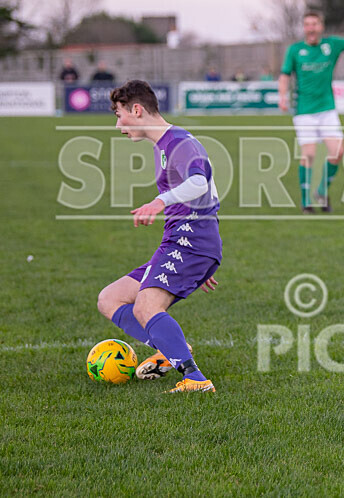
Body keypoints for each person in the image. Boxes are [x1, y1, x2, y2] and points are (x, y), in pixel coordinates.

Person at [96, 80, 222, 393]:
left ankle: (195, 379)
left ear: (137, 110)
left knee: (146, 306)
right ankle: (171, 349)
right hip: (185, 244)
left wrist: (160, 203)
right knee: (110, 298)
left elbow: (200, 183)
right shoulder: (165, 144)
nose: (118, 125)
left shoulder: (178, 142)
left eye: (119, 115)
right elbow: (212, 191)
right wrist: (200, 263)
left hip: (190, 242)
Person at [278, 9, 344, 214]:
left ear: (321, 26)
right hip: (304, 111)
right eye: (307, 24)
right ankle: (306, 201)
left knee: (338, 152)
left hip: (327, 109)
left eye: (314, 24)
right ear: (304, 28)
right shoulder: (295, 50)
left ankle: (321, 191)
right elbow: (284, 75)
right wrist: (282, 96)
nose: (311, 28)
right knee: (309, 155)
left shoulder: (331, 45)